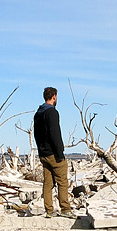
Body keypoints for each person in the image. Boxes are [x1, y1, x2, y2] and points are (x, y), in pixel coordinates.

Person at [33, 86, 75, 218]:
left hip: (43, 153)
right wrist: (60, 153)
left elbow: (36, 134)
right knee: (62, 181)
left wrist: (41, 151)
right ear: (54, 97)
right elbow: (55, 134)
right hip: (53, 153)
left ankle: (49, 210)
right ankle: (65, 209)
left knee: (48, 183)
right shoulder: (52, 112)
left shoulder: (38, 113)